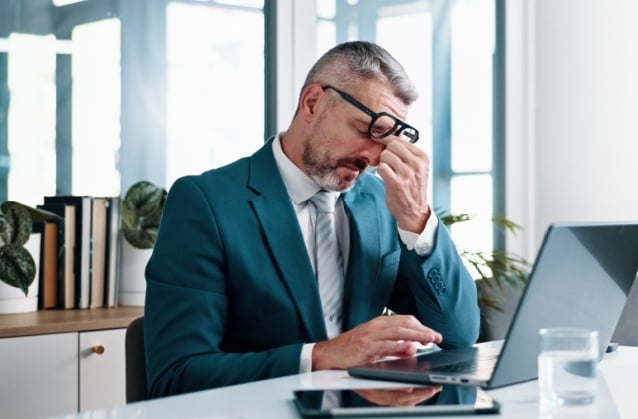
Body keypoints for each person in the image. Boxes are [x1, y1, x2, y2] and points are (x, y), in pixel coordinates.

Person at [143, 40, 480, 398]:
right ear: (313, 103)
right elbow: (176, 377)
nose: (374, 157)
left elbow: (458, 334)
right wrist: (321, 357)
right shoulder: (206, 203)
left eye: (389, 141)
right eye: (368, 129)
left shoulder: (380, 204)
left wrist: (416, 219)